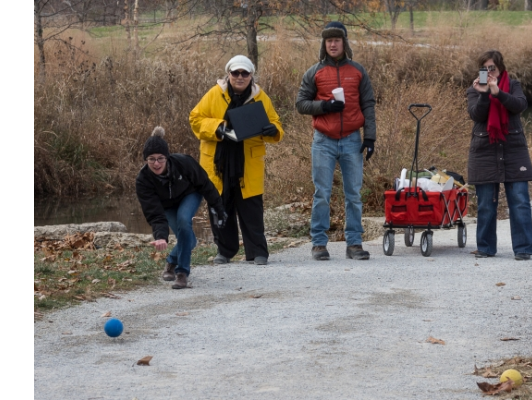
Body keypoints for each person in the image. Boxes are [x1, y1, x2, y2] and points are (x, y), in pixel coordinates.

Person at [189, 55, 285, 266]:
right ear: (228, 74)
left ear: (251, 76)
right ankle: (225, 251)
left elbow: (276, 123)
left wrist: (273, 130)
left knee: (251, 209)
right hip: (218, 164)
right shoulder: (215, 94)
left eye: (245, 73)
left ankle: (257, 252)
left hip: (248, 164)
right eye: (235, 73)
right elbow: (195, 119)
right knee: (220, 207)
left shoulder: (261, 98)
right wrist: (218, 127)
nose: (240, 77)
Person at [295, 21, 377, 261]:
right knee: (322, 193)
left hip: (352, 139)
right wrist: (325, 106)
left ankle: (354, 243)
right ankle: (319, 243)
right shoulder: (314, 72)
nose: (332, 44)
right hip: (323, 140)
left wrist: (370, 136)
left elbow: (368, 104)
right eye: (328, 40)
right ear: (324, 43)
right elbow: (301, 104)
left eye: (336, 40)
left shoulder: (358, 71)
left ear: (344, 42)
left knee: (353, 193)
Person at [135, 126, 228, 289]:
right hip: (167, 206)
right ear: (145, 160)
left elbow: (206, 185)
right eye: (151, 159)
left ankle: (181, 273)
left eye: (160, 158)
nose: (156, 163)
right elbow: (154, 212)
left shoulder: (184, 162)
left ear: (167, 157)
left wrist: (219, 209)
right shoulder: (143, 181)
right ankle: (171, 260)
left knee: (184, 221)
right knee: (189, 241)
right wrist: (161, 236)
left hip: (189, 195)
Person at [465, 50, 532, 260]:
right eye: (484, 69)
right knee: (486, 203)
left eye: (492, 68)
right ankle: (485, 247)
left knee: (520, 200)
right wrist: (485, 93)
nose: (489, 72)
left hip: (513, 149)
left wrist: (498, 92)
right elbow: (476, 114)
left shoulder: (513, 85)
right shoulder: (474, 89)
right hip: (484, 150)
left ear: (501, 67)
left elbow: (519, 105)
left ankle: (523, 248)